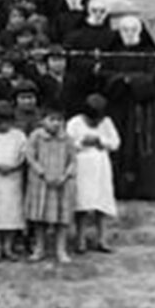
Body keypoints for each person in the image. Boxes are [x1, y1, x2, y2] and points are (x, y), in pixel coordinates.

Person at [104, 16, 155, 201]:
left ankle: (148, 188)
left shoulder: (150, 53)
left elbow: (154, 80)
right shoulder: (113, 52)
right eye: (125, 29)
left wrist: (129, 80)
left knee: (145, 146)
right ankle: (120, 189)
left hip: (144, 109)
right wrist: (124, 80)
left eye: (133, 29)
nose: (129, 33)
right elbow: (105, 76)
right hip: (119, 109)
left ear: (140, 30)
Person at [67, 94, 120, 253]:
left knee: (101, 202)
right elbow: (67, 144)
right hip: (82, 164)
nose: (95, 122)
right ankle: (80, 239)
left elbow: (115, 143)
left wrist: (101, 141)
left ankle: (102, 239)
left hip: (101, 165)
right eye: (92, 119)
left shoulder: (106, 123)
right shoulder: (75, 123)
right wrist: (81, 142)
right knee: (82, 203)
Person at [25, 110, 77, 263]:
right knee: (40, 217)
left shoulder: (67, 139)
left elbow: (73, 160)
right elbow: (30, 156)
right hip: (41, 182)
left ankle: (61, 250)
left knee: (62, 218)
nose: (56, 123)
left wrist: (65, 176)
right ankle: (39, 248)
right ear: (43, 120)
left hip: (62, 183)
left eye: (59, 119)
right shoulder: (36, 136)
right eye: (52, 119)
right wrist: (42, 173)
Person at [0, 101, 27, 261]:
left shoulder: (18, 135)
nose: (3, 125)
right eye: (0, 122)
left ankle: (8, 246)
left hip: (13, 177)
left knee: (12, 211)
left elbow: (24, 154)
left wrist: (14, 166)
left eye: (7, 122)